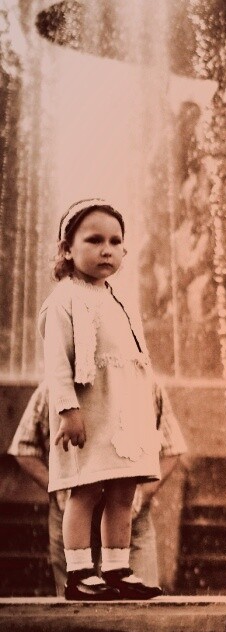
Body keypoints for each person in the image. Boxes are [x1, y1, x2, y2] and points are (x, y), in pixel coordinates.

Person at [39, 198, 163, 601]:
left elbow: (134, 360)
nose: (106, 250)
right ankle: (78, 572)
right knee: (87, 488)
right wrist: (68, 410)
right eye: (94, 240)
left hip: (122, 413)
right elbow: (57, 363)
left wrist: (144, 415)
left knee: (124, 490)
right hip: (90, 412)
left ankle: (116, 567)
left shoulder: (117, 297)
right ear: (67, 249)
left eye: (115, 241)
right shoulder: (65, 298)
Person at [7, 380, 188, 596]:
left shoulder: (146, 383)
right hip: (72, 511)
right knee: (77, 599)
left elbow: (172, 447)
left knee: (139, 598)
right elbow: (23, 448)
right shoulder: (56, 386)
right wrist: (60, 488)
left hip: (129, 515)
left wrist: (142, 492)